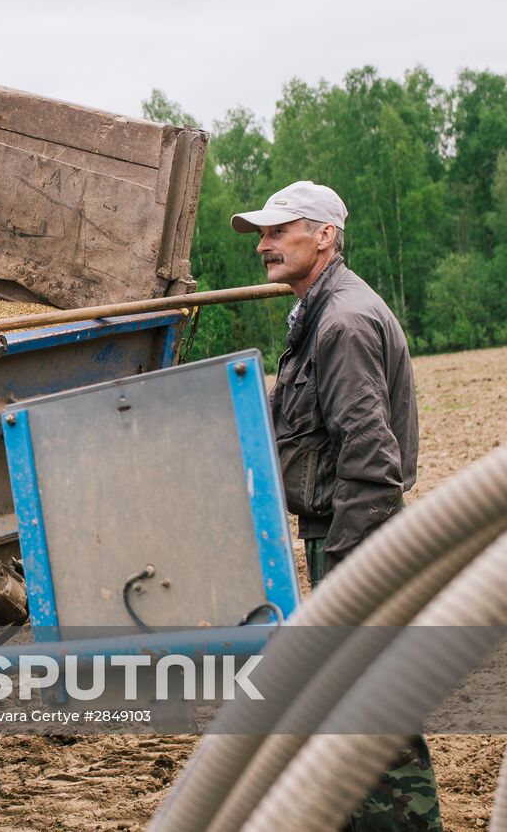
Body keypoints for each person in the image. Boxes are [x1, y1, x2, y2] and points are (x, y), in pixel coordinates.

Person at [232, 180, 441, 832]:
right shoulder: (319, 312)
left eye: (279, 230)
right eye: (262, 234)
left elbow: (372, 464)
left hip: (356, 540)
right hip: (340, 534)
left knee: (371, 717)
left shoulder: (343, 322)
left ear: (325, 235)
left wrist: (351, 571)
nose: (264, 244)